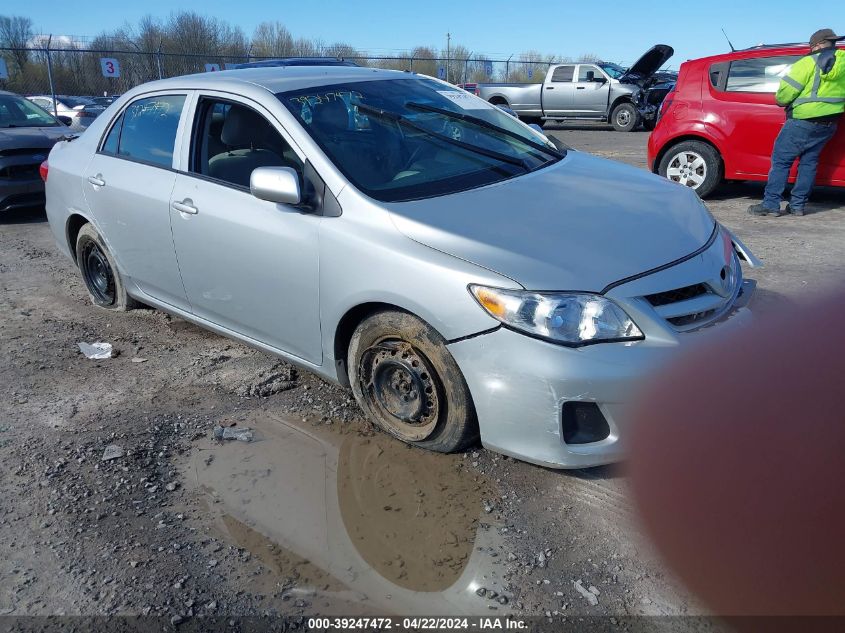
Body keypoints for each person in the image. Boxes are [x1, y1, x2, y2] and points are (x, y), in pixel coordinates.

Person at [748, 29, 845, 217]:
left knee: (781, 161)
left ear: (816, 45)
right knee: (809, 163)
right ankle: (798, 206)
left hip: (802, 121)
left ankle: (770, 204)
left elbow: (785, 95)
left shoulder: (807, 62)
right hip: (830, 123)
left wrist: (781, 100)